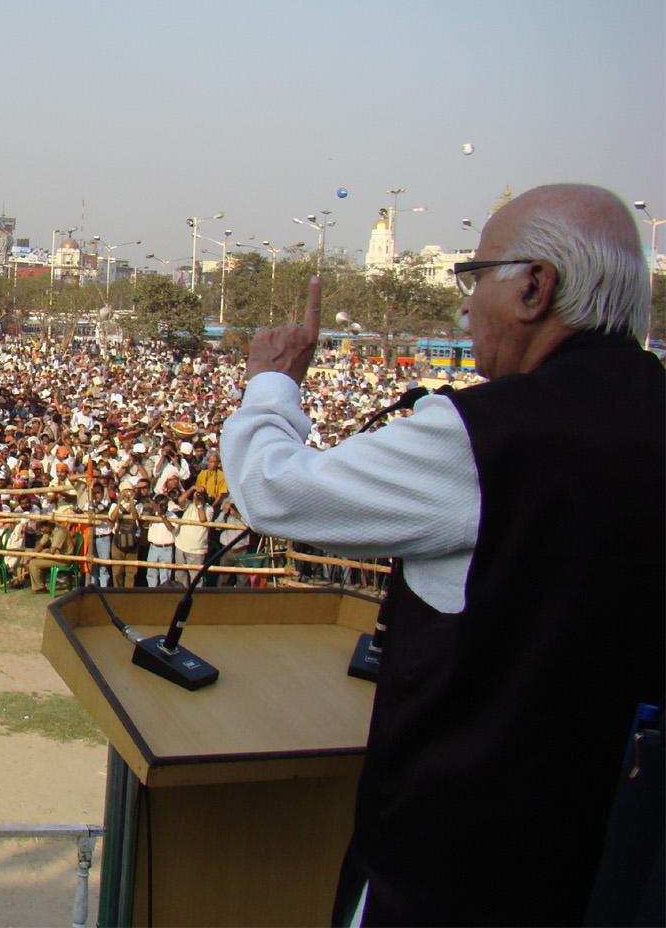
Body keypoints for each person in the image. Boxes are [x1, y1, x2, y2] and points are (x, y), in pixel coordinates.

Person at [220, 184, 664, 926]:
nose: (463, 307)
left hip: (452, 867)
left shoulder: (487, 437)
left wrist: (271, 384)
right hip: (608, 864)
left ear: (533, 286)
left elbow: (275, 492)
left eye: (474, 277)